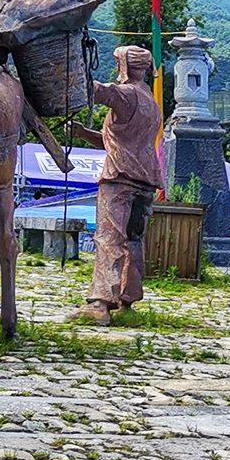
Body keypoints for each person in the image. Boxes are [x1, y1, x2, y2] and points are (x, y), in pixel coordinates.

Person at [66, 45, 163, 327]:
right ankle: (127, 298)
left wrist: (72, 63)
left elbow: (97, 90)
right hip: (145, 178)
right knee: (133, 240)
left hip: (120, 177)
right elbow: (118, 141)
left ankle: (101, 302)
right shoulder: (149, 99)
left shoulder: (128, 94)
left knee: (109, 238)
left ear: (124, 66)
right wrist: (84, 134)